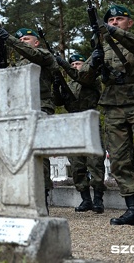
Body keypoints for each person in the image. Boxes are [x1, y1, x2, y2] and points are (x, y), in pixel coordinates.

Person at [77, 4, 134, 229]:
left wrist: (111, 32)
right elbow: (84, 79)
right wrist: (94, 62)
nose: (115, 22)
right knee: (119, 160)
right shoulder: (102, 46)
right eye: (111, 20)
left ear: (129, 23)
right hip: (113, 106)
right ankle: (133, 209)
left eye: (119, 19)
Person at [0, 25, 58, 213]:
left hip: (40, 106)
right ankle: (20, 198)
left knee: (37, 155)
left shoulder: (43, 55)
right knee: (18, 155)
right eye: (19, 40)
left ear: (36, 42)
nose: (21, 41)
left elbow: (33, 56)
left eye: (26, 39)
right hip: (17, 110)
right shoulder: (16, 65)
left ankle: (41, 199)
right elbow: (1, 88)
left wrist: (8, 37)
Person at [55, 53, 106, 213]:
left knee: (95, 162)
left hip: (89, 119)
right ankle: (85, 199)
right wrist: (57, 86)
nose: (76, 66)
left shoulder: (91, 79)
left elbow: (83, 78)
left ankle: (98, 199)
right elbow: (58, 101)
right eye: (73, 64)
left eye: (79, 63)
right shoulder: (68, 83)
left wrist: (63, 65)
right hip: (73, 122)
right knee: (77, 164)